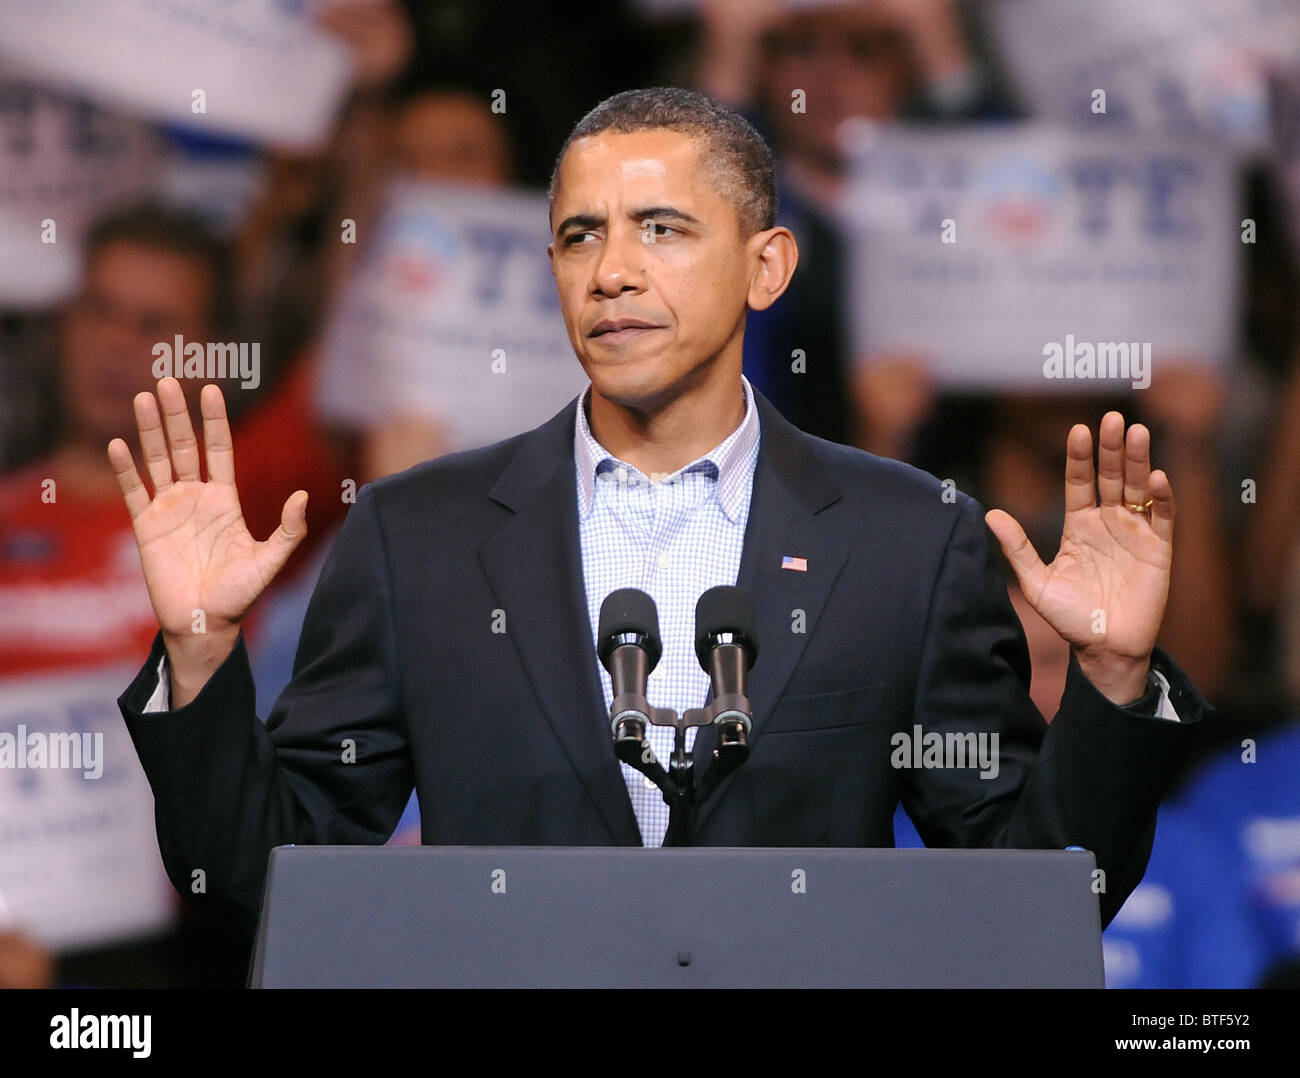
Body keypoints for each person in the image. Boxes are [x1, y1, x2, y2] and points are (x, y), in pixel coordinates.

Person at [110, 88, 1209, 942]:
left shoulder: (906, 539)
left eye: (663, 228)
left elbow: (1025, 896)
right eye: (580, 235)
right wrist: (200, 657)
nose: (613, 272)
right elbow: (264, 878)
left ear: (765, 266)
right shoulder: (418, 537)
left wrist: (1111, 685)